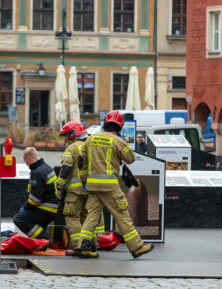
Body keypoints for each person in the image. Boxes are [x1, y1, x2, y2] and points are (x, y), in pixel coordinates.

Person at [78, 110, 154, 258]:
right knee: (122, 214)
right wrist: (122, 142)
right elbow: (131, 158)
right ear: (119, 127)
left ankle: (84, 246)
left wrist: (84, 181)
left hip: (92, 185)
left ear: (105, 123)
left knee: (92, 216)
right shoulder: (117, 141)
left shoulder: (91, 139)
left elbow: (82, 162)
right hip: (109, 186)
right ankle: (136, 247)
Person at [56, 121, 105, 256]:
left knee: (71, 216)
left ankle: (79, 246)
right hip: (92, 190)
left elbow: (66, 169)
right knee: (87, 218)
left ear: (73, 134)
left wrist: (59, 186)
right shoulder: (92, 146)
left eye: (66, 135)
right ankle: (90, 245)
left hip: (76, 191)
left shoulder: (72, 148)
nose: (65, 139)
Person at [13, 147, 60, 240]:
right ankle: (57, 235)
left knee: (19, 219)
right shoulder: (47, 167)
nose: (26, 164)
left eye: (25, 161)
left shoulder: (37, 172)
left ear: (28, 159)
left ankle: (45, 240)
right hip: (54, 208)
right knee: (36, 224)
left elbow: (35, 199)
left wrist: (25, 207)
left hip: (46, 208)